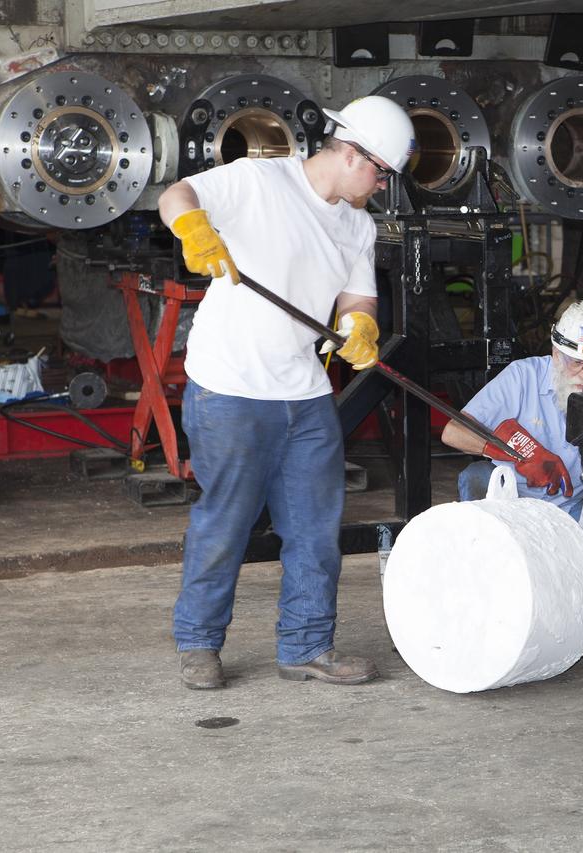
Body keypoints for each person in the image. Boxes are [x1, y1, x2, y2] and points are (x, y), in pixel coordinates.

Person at [157, 96, 415, 690]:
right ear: (350, 154)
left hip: (303, 395)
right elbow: (177, 195)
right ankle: (198, 644)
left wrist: (359, 328)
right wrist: (194, 227)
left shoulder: (357, 224)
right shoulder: (258, 180)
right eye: (379, 172)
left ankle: (306, 646)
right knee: (226, 523)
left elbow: (356, 297)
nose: (380, 186)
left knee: (315, 530)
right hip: (230, 388)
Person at [440, 300, 583, 547]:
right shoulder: (522, 376)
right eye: (576, 362)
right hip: (512, 503)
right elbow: (453, 432)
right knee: (476, 476)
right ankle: (490, 552)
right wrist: (524, 455)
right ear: (556, 354)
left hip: (577, 509)